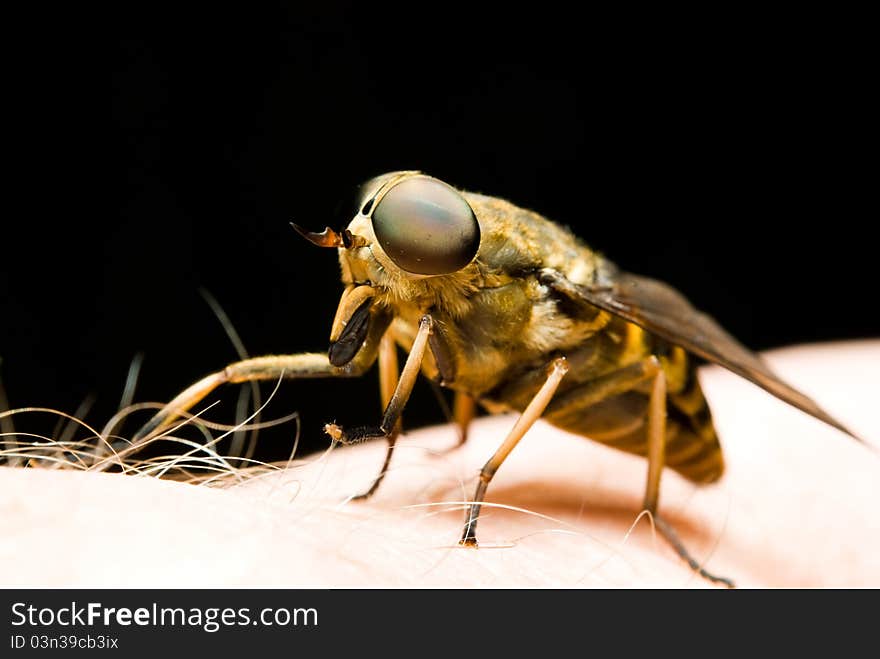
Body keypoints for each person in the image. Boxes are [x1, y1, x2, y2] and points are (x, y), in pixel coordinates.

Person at [1, 341, 877, 587]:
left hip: (647, 392)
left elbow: (561, 366)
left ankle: (652, 518)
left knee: (614, 365)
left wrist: (478, 482)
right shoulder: (421, 302)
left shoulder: (507, 291)